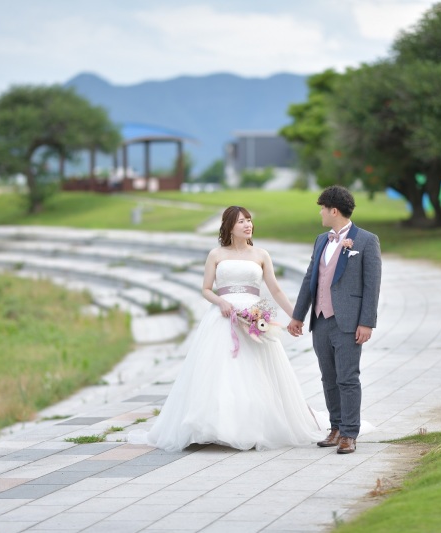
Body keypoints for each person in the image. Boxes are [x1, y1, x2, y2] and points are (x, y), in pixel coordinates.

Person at [128, 206, 326, 452]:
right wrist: (221, 302)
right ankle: (211, 427)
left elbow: (275, 290)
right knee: (220, 373)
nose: (247, 225)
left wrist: (295, 316)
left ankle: (255, 427)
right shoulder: (216, 254)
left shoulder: (261, 254)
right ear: (229, 226)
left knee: (256, 372)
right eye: (241, 221)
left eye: (249, 220)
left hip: (254, 318)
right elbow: (206, 289)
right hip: (222, 319)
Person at [288, 186, 381, 455]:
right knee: (328, 378)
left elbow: (372, 285)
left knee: (347, 378)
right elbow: (310, 280)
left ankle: (350, 433)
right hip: (321, 319)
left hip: (350, 322)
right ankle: (336, 427)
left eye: (322, 208)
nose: (320, 213)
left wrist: (367, 322)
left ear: (334, 211)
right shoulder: (321, 240)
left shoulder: (365, 241)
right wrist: (298, 316)